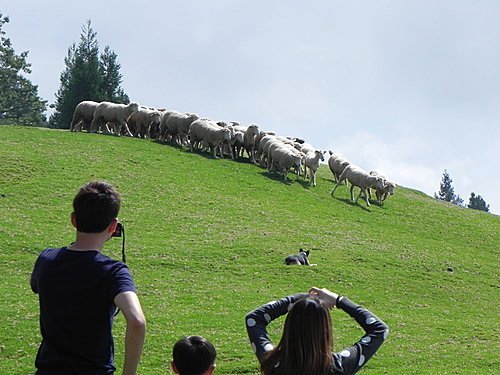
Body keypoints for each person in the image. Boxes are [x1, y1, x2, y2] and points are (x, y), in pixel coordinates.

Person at [31, 181, 146, 375]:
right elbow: (137, 321)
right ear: (113, 226)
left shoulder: (46, 259)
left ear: (74, 220)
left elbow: (36, 285)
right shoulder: (113, 272)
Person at [245, 287, 389, 375]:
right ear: (325, 330)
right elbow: (379, 330)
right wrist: (339, 300)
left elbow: (254, 319)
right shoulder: (338, 366)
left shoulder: (273, 362)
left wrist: (299, 299)